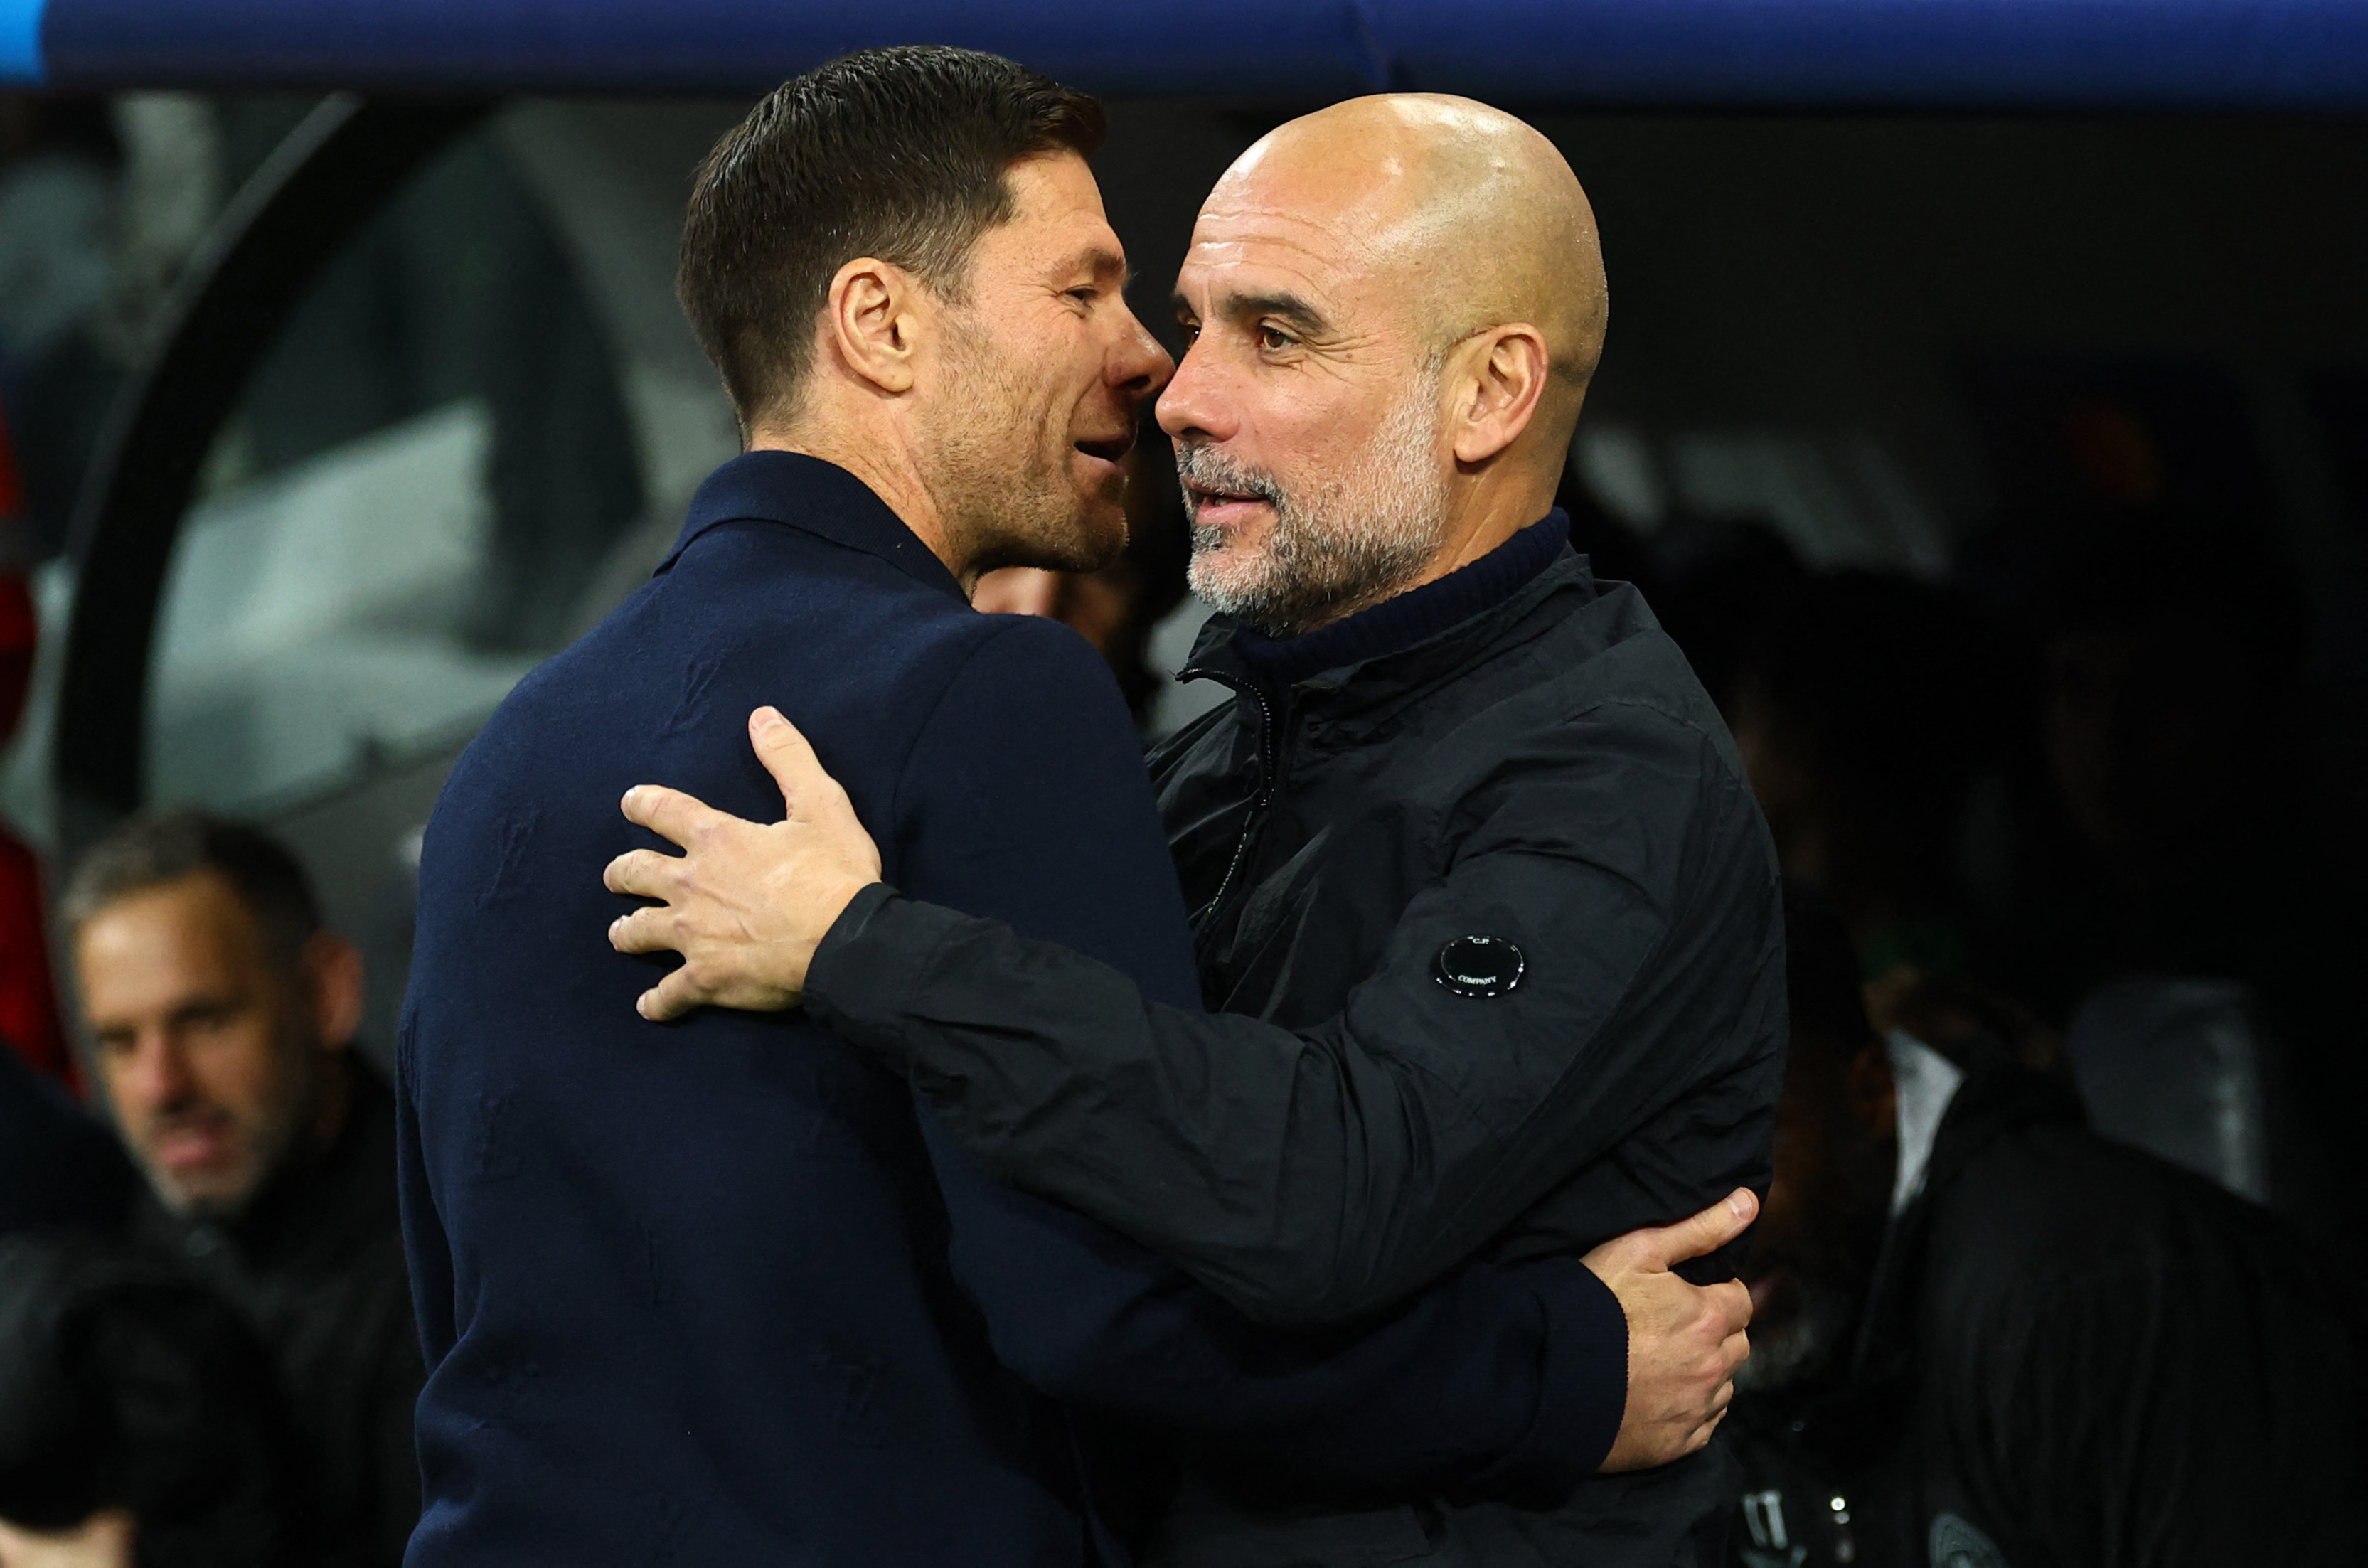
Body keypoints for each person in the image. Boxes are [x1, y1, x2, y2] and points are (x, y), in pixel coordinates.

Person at [403, 48, 1753, 1567]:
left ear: (1491, 388)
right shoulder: (998, 697)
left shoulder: (509, 752)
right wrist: (1561, 1370)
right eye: (1093, 297)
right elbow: (1117, 1307)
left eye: (1273, 331)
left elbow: (455, 1296)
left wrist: (863, 945)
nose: (1157, 375)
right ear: (880, 322)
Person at [1722, 890, 2361, 1567]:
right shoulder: (1716, 1345)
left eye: (1731, 1144)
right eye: (1634, 1170)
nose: (1703, 1225)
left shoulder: (2092, 1299)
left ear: (1875, 1091)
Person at [63, 811, 420, 1568]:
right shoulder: (174, 1221)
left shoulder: (450, 1259)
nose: (162, 1086)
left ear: (326, 993)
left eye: (204, 1021)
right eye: (120, 1043)